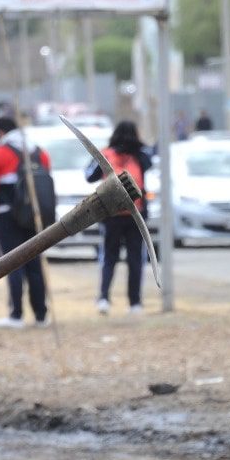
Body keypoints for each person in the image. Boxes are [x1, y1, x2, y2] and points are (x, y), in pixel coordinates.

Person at [0, 115, 52, 329]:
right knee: (35, 265)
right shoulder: (40, 153)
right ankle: (41, 315)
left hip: (5, 216)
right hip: (34, 217)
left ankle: (16, 314)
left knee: (11, 264)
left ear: (0, 132)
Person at [86, 121, 153, 316]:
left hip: (110, 214)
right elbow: (149, 166)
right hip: (136, 214)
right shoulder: (140, 155)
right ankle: (135, 302)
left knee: (109, 257)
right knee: (135, 259)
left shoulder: (106, 154)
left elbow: (89, 176)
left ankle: (104, 298)